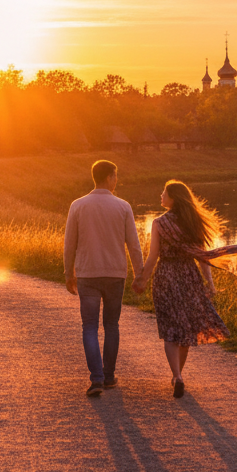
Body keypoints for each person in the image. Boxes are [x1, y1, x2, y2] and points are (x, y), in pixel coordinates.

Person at [134, 180, 237, 398]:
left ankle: (177, 376)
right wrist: (210, 283)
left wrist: (142, 279)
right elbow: (202, 257)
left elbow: (153, 257)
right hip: (189, 276)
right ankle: (179, 375)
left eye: (164, 192)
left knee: (169, 328)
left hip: (165, 277)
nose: (160, 195)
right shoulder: (192, 222)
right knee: (186, 329)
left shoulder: (159, 223)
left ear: (173, 198)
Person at [64, 160, 144, 397]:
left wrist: (69, 273)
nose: (117, 180)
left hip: (88, 273)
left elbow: (70, 245)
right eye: (116, 175)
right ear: (109, 177)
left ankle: (96, 379)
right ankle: (108, 377)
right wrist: (140, 274)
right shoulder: (123, 206)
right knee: (111, 325)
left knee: (89, 326)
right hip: (115, 274)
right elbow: (134, 245)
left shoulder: (77, 205)